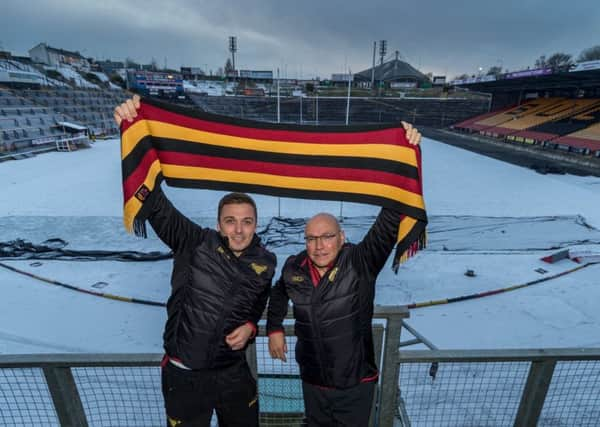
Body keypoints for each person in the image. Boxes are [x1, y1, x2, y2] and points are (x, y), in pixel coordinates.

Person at [114, 98, 277, 427]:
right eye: (230, 221)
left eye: (247, 221)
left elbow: (258, 302)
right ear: (218, 225)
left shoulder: (266, 262)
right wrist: (132, 130)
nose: (239, 229)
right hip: (184, 376)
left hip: (233, 372)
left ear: (256, 224)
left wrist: (250, 327)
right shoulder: (193, 241)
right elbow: (156, 202)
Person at [266, 126, 421, 427]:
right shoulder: (293, 267)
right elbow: (277, 293)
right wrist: (274, 327)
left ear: (342, 237)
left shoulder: (361, 262)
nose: (319, 245)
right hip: (312, 381)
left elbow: (390, 218)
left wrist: (405, 158)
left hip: (355, 384)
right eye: (311, 238)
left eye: (326, 237)